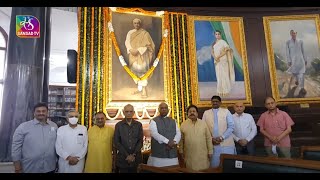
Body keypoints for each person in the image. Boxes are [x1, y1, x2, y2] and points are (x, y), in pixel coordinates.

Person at [11, 103, 58, 173]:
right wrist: (17, 167)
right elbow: (16, 147)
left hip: (50, 167)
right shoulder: (23, 127)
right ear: (34, 113)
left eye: (43, 111)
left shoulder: (54, 126)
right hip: (30, 168)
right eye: (38, 111)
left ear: (47, 112)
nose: (41, 113)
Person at [125, 18, 155, 98]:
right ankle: (139, 88)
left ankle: (144, 89)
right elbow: (127, 43)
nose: (136, 25)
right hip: (133, 55)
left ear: (140, 24)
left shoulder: (145, 33)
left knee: (143, 71)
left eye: (138, 23)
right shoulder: (130, 33)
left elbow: (149, 45)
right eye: (135, 23)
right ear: (133, 24)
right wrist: (131, 50)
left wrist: (138, 50)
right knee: (135, 71)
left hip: (142, 55)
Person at [202, 95, 236, 168]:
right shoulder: (206, 113)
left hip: (226, 143)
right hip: (212, 144)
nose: (214, 103)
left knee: (228, 166)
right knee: (214, 166)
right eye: (213, 101)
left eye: (216, 101)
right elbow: (203, 128)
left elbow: (231, 126)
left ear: (220, 103)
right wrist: (211, 139)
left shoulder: (226, 111)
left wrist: (222, 137)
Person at [179, 105, 213, 171]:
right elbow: (181, 140)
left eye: (194, 111)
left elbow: (208, 138)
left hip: (202, 155)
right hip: (189, 155)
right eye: (190, 111)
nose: (192, 113)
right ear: (187, 114)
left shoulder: (203, 124)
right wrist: (181, 151)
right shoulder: (183, 124)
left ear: (197, 113)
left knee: (203, 170)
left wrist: (210, 151)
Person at [148, 102, 181, 167]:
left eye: (165, 108)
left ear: (168, 110)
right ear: (159, 109)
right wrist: (168, 142)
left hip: (172, 154)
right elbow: (155, 134)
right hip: (159, 155)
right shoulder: (153, 121)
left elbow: (178, 133)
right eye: (162, 108)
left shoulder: (173, 121)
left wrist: (174, 142)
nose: (164, 109)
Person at [114, 104, 143, 173]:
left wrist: (133, 155)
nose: (129, 113)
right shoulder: (119, 125)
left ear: (133, 113)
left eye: (130, 111)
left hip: (136, 159)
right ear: (123, 112)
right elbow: (116, 142)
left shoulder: (138, 125)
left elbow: (140, 141)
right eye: (127, 111)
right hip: (123, 159)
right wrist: (127, 155)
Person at [211, 30, 235, 97]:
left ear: (220, 35)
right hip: (217, 61)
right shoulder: (214, 43)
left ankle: (225, 90)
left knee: (224, 75)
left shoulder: (223, 42)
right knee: (219, 76)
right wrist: (215, 57)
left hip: (223, 60)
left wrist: (218, 57)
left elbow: (227, 50)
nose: (217, 35)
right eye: (216, 34)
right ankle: (220, 90)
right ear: (215, 35)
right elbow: (212, 51)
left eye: (219, 34)